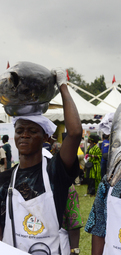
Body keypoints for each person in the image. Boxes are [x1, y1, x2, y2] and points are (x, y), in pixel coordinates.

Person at [0, 68, 82, 254]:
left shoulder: (55, 173)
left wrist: (62, 86)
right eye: (20, 131)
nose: (25, 135)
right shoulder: (5, 180)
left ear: (45, 137)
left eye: (32, 131)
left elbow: (75, 133)